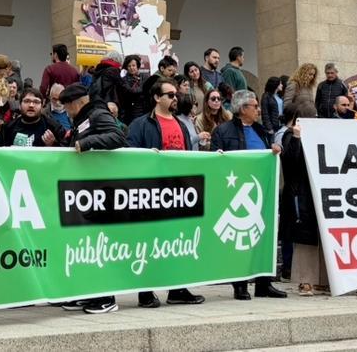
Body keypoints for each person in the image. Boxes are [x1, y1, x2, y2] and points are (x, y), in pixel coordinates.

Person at [126, 81, 205, 308]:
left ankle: (177, 289)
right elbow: (129, 154)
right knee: (148, 242)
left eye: (176, 94)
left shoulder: (181, 124)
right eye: (170, 94)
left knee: (177, 242)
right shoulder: (141, 124)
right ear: (156, 97)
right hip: (151, 192)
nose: (175, 98)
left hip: (178, 192)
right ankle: (145, 291)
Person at [210, 90, 286, 299]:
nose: (259, 110)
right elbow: (215, 162)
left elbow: (267, 156)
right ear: (243, 109)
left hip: (261, 192)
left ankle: (264, 284)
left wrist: (274, 151)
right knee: (240, 241)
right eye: (255, 106)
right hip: (237, 194)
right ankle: (240, 285)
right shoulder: (223, 131)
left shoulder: (262, 130)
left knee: (263, 238)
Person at [59, 83, 126, 314]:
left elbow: (117, 137)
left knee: (98, 242)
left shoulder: (97, 114)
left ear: (78, 103)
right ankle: (87, 293)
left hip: (100, 189)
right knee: (84, 243)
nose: (66, 111)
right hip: (84, 190)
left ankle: (106, 296)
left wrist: (87, 143)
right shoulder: (81, 120)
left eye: (67, 106)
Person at [280, 101, 325, 296]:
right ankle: (305, 280)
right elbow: (290, 161)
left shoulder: (319, 134)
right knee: (305, 239)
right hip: (300, 193)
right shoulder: (289, 135)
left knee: (321, 237)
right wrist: (297, 138)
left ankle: (322, 280)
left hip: (316, 192)